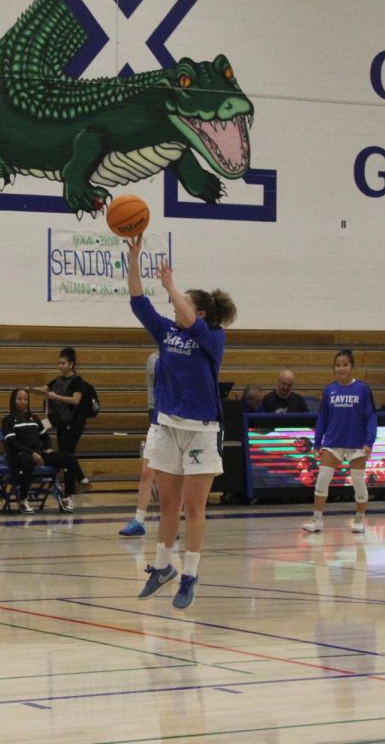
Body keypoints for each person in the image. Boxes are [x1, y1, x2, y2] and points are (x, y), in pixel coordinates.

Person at [127, 237, 236, 610]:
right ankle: (162, 567)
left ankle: (190, 574)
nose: (176, 306)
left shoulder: (212, 338)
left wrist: (172, 286)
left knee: (194, 506)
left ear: (200, 313)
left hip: (201, 429)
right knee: (168, 502)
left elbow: (188, 318)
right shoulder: (167, 332)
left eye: (183, 303)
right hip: (166, 425)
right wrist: (134, 258)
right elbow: (138, 303)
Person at [301, 349, 377, 535]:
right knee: (322, 480)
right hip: (333, 441)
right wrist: (317, 443)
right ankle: (317, 520)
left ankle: (359, 519)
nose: (341, 368)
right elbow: (322, 418)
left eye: (345, 365)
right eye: (338, 365)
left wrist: (369, 441)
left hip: (357, 443)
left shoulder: (362, 389)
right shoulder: (329, 390)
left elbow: (371, 416)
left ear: (352, 367)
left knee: (358, 481)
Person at [1, 388, 85, 513]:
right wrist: (32, 453)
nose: (23, 402)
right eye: (19, 399)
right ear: (13, 401)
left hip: (39, 453)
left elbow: (45, 436)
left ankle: (67, 496)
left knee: (69, 458)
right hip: (18, 455)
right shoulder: (7, 420)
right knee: (28, 462)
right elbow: (12, 443)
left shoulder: (34, 418)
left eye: (25, 399)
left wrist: (49, 448)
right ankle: (23, 500)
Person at [120, 352, 158, 536]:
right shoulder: (155, 358)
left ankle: (171, 521)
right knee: (146, 471)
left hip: (177, 419)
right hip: (158, 418)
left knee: (172, 477)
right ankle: (139, 520)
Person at [31, 347, 86, 456]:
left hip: (74, 422)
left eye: (63, 363)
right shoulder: (57, 380)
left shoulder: (77, 381)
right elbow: (44, 389)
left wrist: (56, 397)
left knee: (67, 452)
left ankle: (71, 472)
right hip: (62, 420)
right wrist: (29, 390)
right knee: (62, 451)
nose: (59, 366)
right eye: (59, 363)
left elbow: (76, 400)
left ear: (71, 364)